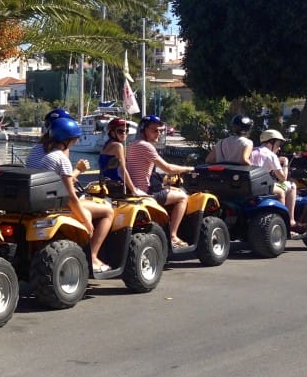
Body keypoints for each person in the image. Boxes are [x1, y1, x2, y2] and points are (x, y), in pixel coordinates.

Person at [37, 116, 116, 272]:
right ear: (68, 139)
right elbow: (71, 196)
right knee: (108, 211)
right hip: (59, 205)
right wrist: (86, 221)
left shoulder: (46, 155)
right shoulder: (61, 159)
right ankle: (93, 257)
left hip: (46, 202)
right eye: (75, 138)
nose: (76, 141)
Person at [126, 114, 194, 249]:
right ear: (144, 130)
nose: (159, 133)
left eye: (161, 130)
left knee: (173, 189)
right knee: (182, 197)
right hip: (146, 192)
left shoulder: (132, 145)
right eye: (155, 130)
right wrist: (189, 169)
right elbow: (168, 168)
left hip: (135, 190)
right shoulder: (146, 146)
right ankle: (173, 236)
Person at [251, 129, 297, 229]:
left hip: (251, 186)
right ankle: (290, 221)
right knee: (292, 186)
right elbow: (282, 178)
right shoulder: (271, 155)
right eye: (278, 144)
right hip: (263, 187)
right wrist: (285, 162)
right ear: (270, 143)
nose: (279, 148)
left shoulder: (252, 150)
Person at [97, 118, 147, 198]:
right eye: (120, 131)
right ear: (112, 132)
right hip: (116, 187)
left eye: (126, 131)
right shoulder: (118, 146)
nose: (124, 134)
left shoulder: (106, 145)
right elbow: (123, 170)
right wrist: (133, 190)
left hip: (105, 185)